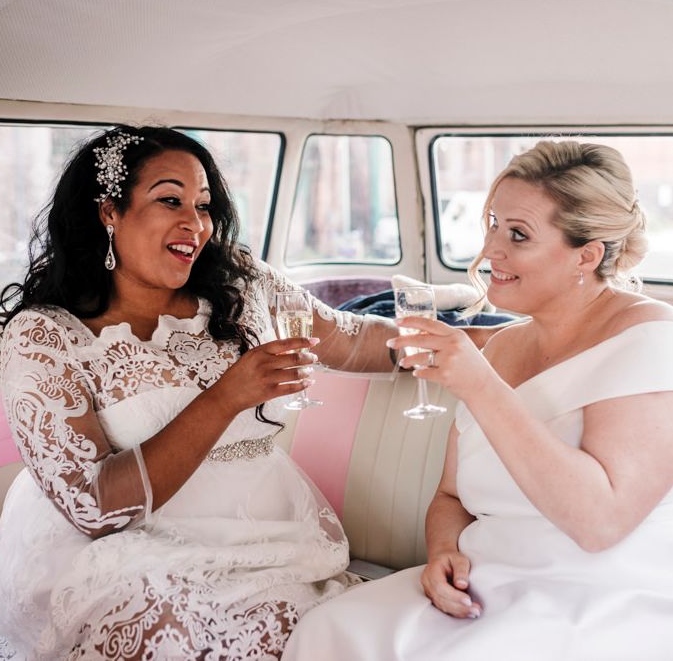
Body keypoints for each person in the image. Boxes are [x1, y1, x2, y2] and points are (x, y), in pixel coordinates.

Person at [0, 125, 409, 660]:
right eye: (169, 200)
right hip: (127, 551)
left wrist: (475, 345)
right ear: (109, 211)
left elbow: (353, 340)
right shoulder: (46, 337)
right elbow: (95, 509)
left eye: (203, 205)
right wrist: (225, 396)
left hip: (270, 537)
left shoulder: (241, 283)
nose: (196, 224)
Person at [283, 140, 673, 661]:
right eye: (493, 223)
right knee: (329, 629)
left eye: (518, 235)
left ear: (588, 254)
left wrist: (481, 386)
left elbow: (599, 523)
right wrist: (443, 552)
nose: (490, 251)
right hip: (487, 582)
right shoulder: (506, 344)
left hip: (593, 595)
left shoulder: (651, 342)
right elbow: (450, 498)